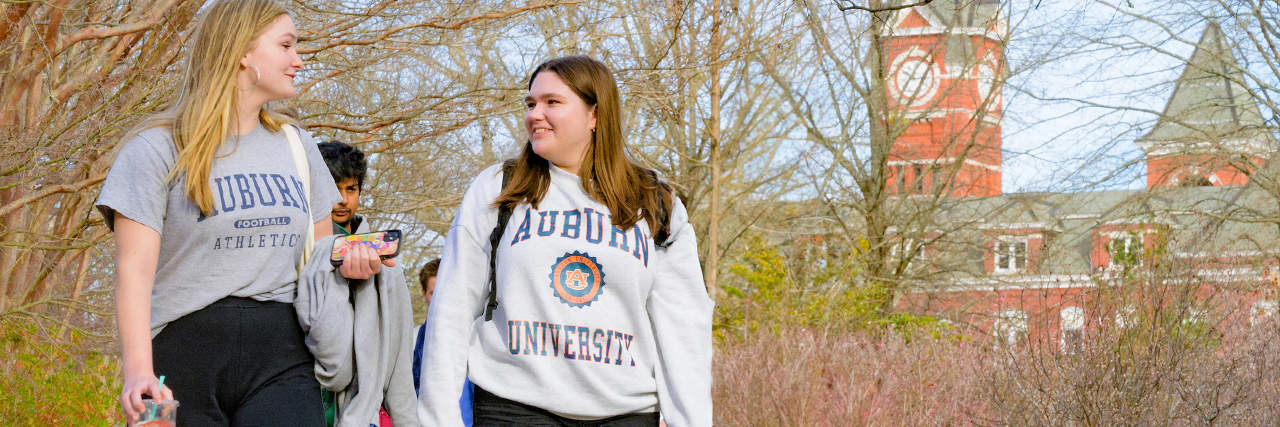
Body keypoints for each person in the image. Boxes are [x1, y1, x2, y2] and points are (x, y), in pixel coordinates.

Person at [97, 1, 390, 425]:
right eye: (286, 45)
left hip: (283, 356)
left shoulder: (298, 146)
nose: (298, 59)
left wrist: (356, 261)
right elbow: (133, 272)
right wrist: (138, 370)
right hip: (181, 356)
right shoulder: (155, 147)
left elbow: (322, 258)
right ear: (242, 52)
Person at [418, 56, 713, 426]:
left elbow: (685, 327)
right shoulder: (500, 189)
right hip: (514, 409)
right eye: (530, 103)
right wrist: (438, 418)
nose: (534, 114)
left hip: (626, 412)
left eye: (552, 102)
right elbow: (451, 309)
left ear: (594, 115)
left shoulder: (654, 201)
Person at [411, 259, 474, 426]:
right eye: (434, 293)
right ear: (424, 294)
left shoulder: (476, 337)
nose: (441, 300)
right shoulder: (412, 339)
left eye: (446, 291)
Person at [318, 140, 370, 236]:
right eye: (333, 190)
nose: (343, 200)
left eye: (351, 189)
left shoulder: (376, 247)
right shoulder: (297, 246)